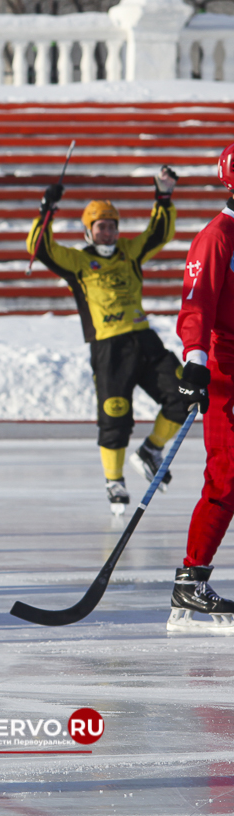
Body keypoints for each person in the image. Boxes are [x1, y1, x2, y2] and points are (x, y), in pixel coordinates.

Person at [27, 166, 184, 514]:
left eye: (113, 225)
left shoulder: (131, 252)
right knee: (115, 416)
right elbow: (40, 248)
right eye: (101, 226)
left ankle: (152, 450)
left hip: (144, 340)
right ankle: (114, 480)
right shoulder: (78, 261)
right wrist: (46, 209)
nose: (108, 231)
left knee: (182, 393)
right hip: (108, 347)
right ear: (89, 230)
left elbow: (158, 234)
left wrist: (163, 194)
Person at [169, 142, 234, 630]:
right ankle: (191, 581)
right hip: (226, 371)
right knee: (227, 476)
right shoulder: (217, 237)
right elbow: (197, 302)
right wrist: (195, 362)